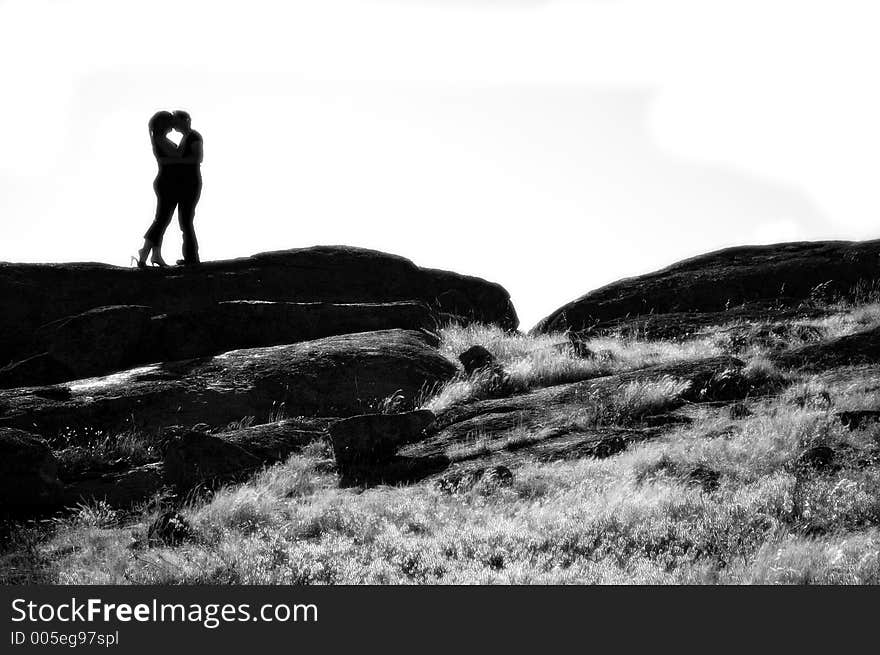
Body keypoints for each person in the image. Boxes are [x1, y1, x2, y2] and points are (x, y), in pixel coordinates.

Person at [135, 111, 180, 267]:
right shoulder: (160, 140)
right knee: (161, 220)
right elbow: (176, 156)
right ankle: (145, 251)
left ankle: (155, 254)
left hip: (169, 182)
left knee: (162, 219)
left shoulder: (161, 139)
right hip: (166, 182)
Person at [170, 110, 203, 265]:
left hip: (192, 183)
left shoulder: (194, 136)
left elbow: (198, 157)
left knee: (186, 220)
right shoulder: (186, 138)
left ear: (186, 120)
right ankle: (190, 257)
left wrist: (177, 161)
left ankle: (192, 259)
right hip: (185, 183)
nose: (175, 125)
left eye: (177, 121)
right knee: (185, 221)